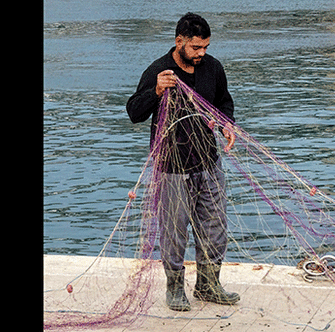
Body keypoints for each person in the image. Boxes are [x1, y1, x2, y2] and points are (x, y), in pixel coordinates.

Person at [126, 12, 240, 312]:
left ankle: (208, 284)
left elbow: (224, 102)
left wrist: (228, 124)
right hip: (173, 168)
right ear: (179, 41)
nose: (202, 53)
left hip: (209, 163)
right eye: (196, 48)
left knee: (215, 226)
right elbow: (134, 112)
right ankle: (175, 287)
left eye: (205, 47)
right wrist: (156, 91)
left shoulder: (213, 67)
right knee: (174, 231)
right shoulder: (159, 70)